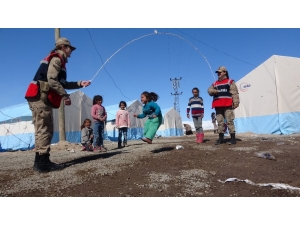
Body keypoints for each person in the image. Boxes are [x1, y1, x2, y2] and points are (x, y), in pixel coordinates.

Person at [24, 37, 91, 173]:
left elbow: (61, 83)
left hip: (38, 97)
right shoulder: (57, 59)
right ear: (64, 47)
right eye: (70, 49)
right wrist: (65, 95)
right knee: (44, 130)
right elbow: (52, 80)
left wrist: (79, 84)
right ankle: (43, 164)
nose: (71, 51)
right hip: (40, 98)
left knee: (43, 129)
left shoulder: (57, 60)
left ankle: (40, 162)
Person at [207, 66, 240, 145]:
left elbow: (234, 93)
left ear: (225, 72)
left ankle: (232, 138)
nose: (218, 74)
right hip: (218, 105)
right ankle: (221, 138)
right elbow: (209, 90)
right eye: (218, 73)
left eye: (220, 72)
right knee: (220, 122)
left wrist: (236, 102)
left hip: (227, 104)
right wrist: (213, 91)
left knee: (229, 121)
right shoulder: (215, 83)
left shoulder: (230, 82)